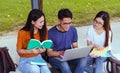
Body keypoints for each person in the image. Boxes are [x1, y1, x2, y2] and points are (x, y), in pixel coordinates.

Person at [47, 8, 86, 73]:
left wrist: (77, 52)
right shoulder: (51, 33)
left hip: (68, 55)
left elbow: (75, 45)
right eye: (64, 24)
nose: (67, 26)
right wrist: (60, 53)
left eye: (69, 23)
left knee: (83, 60)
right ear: (59, 20)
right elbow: (49, 53)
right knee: (64, 64)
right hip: (55, 57)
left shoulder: (73, 30)